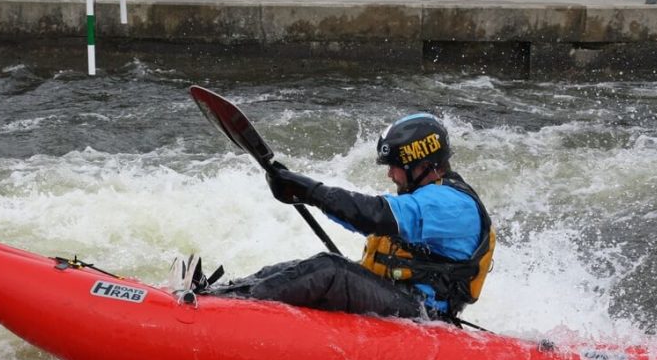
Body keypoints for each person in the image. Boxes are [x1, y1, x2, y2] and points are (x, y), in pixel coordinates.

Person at [209, 113, 496, 324]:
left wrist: (309, 191)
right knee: (294, 268)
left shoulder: (453, 205)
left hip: (424, 314)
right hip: (399, 298)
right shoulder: (429, 195)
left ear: (423, 165)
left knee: (330, 269)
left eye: (395, 166)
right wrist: (302, 193)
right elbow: (365, 216)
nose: (390, 174)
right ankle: (220, 294)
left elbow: (371, 215)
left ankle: (226, 313)